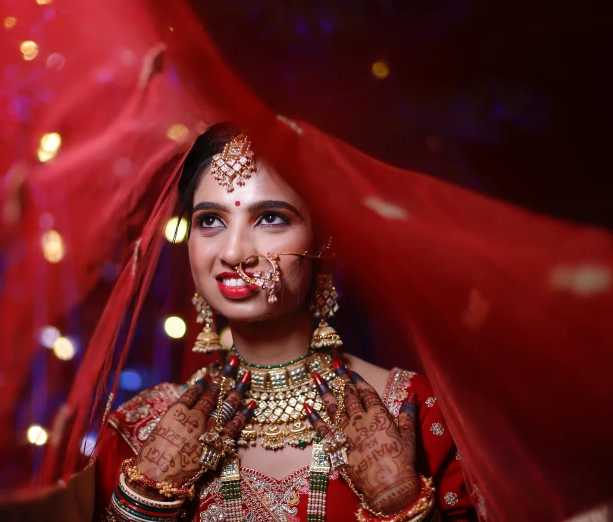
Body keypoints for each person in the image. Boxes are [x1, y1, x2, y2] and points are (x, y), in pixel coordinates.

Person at [94, 123, 478, 521]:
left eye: (270, 217)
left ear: (323, 241)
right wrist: (142, 501)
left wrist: (404, 506)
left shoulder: (411, 410)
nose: (233, 252)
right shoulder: (142, 428)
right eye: (210, 220)